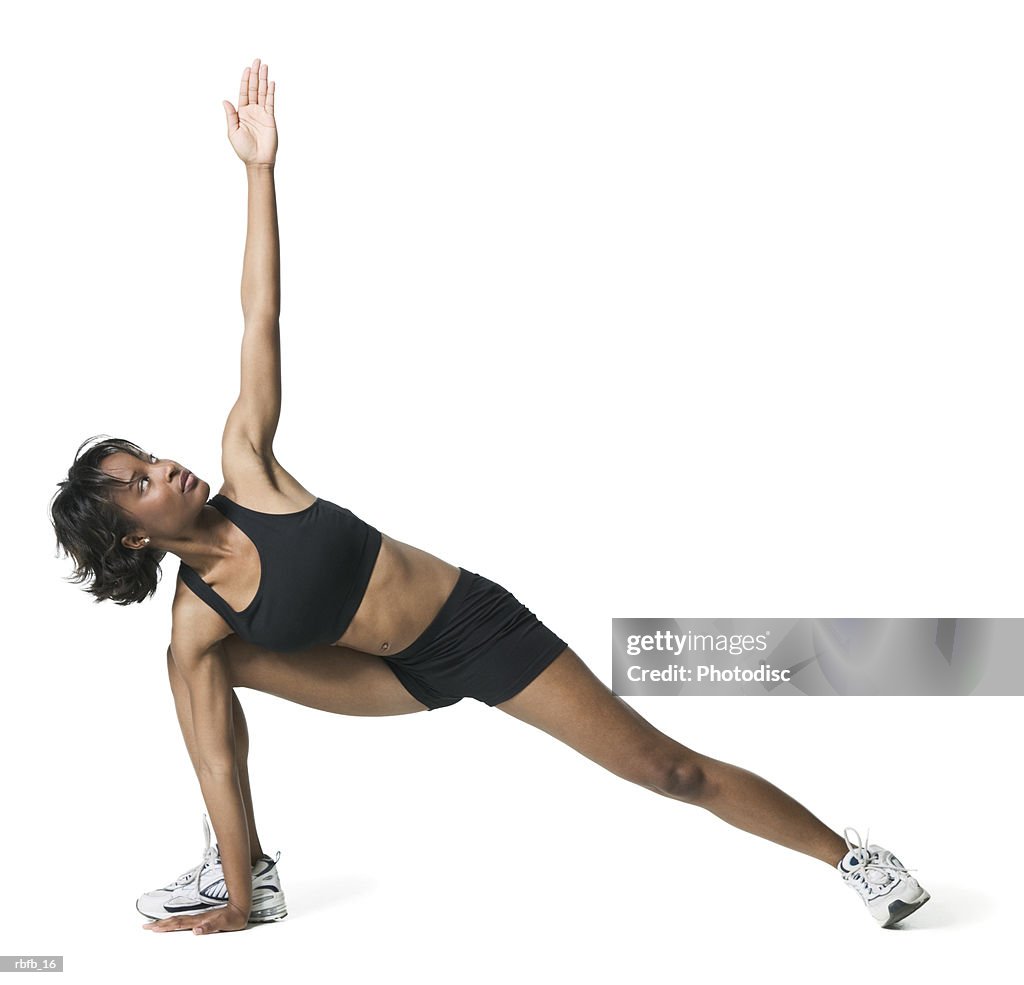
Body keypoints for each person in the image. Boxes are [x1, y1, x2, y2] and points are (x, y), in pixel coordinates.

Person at [49, 58, 929, 936]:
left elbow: (260, 314)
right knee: (199, 669)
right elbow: (212, 754)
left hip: (471, 626)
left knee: (667, 771)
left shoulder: (249, 467)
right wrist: (238, 912)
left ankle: (853, 858)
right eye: (140, 483)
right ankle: (244, 876)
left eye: (152, 459)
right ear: (131, 539)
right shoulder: (197, 621)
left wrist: (259, 173)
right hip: (391, 679)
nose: (164, 471)